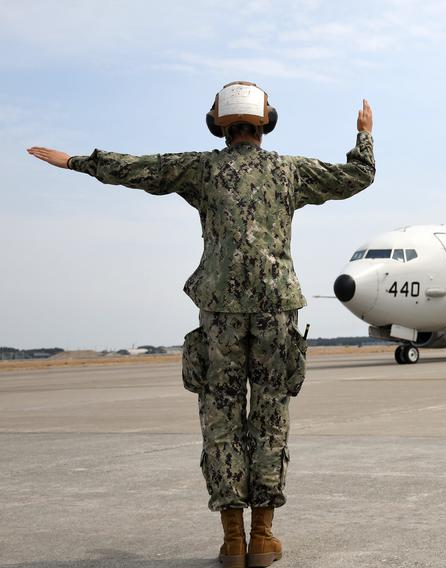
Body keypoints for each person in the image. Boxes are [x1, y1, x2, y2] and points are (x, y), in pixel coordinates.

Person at [27, 81, 375, 568]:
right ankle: (263, 536)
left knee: (221, 418)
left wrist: (77, 162)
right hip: (276, 308)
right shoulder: (290, 172)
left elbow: (140, 169)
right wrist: (363, 135)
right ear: (264, 122)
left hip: (219, 313)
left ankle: (233, 541)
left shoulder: (202, 169)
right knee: (271, 417)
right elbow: (358, 177)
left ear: (220, 124)